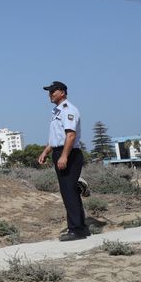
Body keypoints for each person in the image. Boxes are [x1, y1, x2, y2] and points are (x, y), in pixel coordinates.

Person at [38, 81, 90, 241]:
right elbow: (57, 138)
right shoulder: (57, 112)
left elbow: (70, 135)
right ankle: (80, 227)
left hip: (69, 153)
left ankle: (76, 229)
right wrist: (46, 151)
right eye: (49, 91)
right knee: (69, 191)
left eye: (53, 91)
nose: (50, 94)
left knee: (69, 192)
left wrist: (64, 156)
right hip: (60, 151)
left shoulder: (69, 110)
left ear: (63, 92)